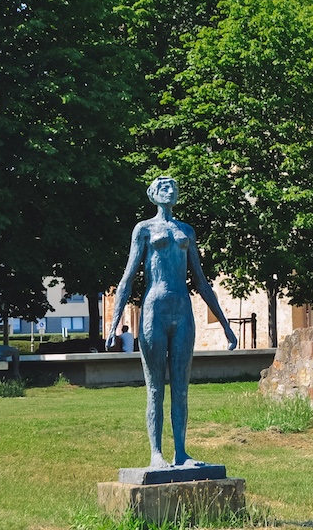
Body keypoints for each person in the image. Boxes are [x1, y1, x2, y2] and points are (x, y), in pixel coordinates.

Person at [107, 176, 238, 470]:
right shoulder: (144, 229)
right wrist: (115, 323)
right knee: (155, 388)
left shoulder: (186, 231)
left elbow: (201, 281)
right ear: (153, 195)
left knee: (181, 388)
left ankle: (181, 452)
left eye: (175, 187)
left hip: (182, 311)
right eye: (164, 187)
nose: (171, 191)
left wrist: (225, 324)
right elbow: (127, 278)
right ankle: (156, 453)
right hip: (154, 310)